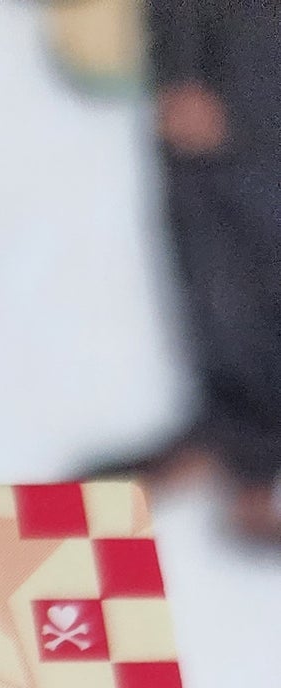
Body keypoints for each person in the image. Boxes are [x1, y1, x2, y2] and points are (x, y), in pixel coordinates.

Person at [103, 0, 281, 540]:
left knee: (225, 288)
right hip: (228, 101)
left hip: (231, 115)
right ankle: (240, 447)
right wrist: (181, 72)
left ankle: (240, 447)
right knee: (225, 283)